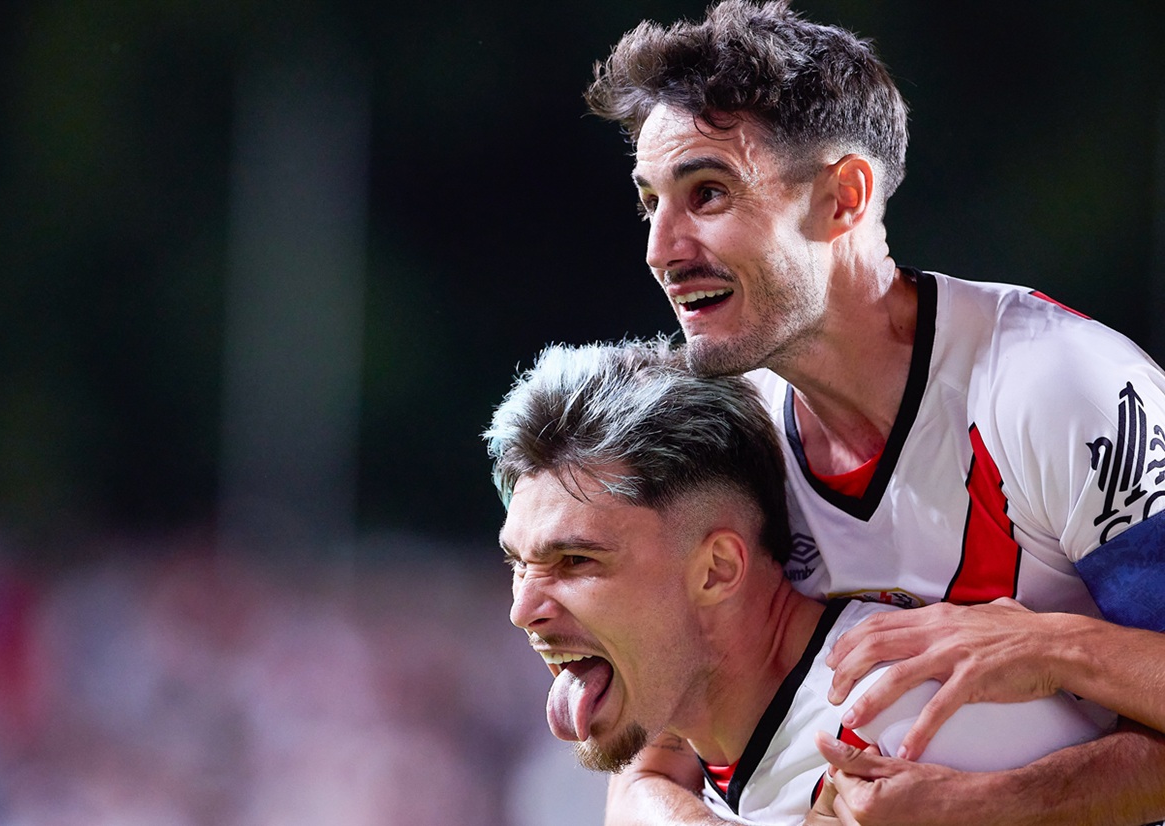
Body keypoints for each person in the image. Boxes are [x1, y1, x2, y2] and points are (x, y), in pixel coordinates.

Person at [578, 1, 1165, 824]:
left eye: (707, 193)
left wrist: (1041, 679)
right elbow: (649, 766)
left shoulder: (1059, 387)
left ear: (844, 198)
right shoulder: (731, 424)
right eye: (651, 203)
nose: (660, 249)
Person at [485, 338, 1119, 826]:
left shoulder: (902, 731)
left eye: (577, 561)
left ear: (717, 570)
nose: (523, 609)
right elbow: (639, 783)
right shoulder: (700, 721)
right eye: (519, 564)